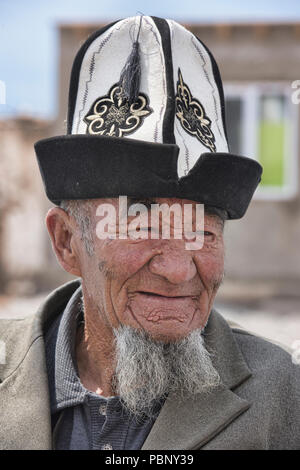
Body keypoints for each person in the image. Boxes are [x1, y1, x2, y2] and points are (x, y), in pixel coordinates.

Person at [0, 15, 299, 450]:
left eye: (203, 231)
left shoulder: (285, 394)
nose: (179, 270)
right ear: (67, 242)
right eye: (140, 226)